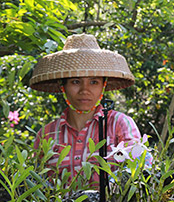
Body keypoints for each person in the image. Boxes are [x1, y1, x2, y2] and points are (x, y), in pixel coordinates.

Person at [30, 33, 141, 188]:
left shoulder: (119, 124)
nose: (84, 90)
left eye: (93, 82)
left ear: (103, 86)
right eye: (75, 82)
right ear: (63, 86)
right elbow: (35, 183)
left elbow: (138, 171)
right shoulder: (47, 134)